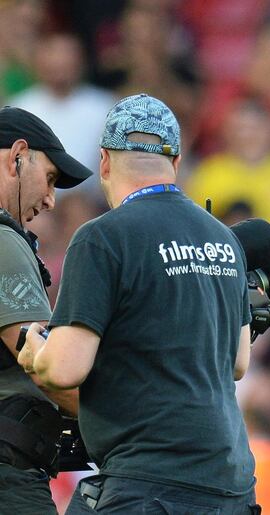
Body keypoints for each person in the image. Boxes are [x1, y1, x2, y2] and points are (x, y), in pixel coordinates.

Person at [16, 94, 260, 514]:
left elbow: (63, 368)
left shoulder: (103, 238)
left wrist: (35, 348)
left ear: (105, 162)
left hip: (151, 482)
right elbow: (238, 362)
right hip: (231, 481)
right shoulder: (224, 240)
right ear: (176, 162)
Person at [0, 106, 92, 513]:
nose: (52, 200)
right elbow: (47, 370)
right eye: (50, 179)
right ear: (17, 155)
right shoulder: (3, 241)